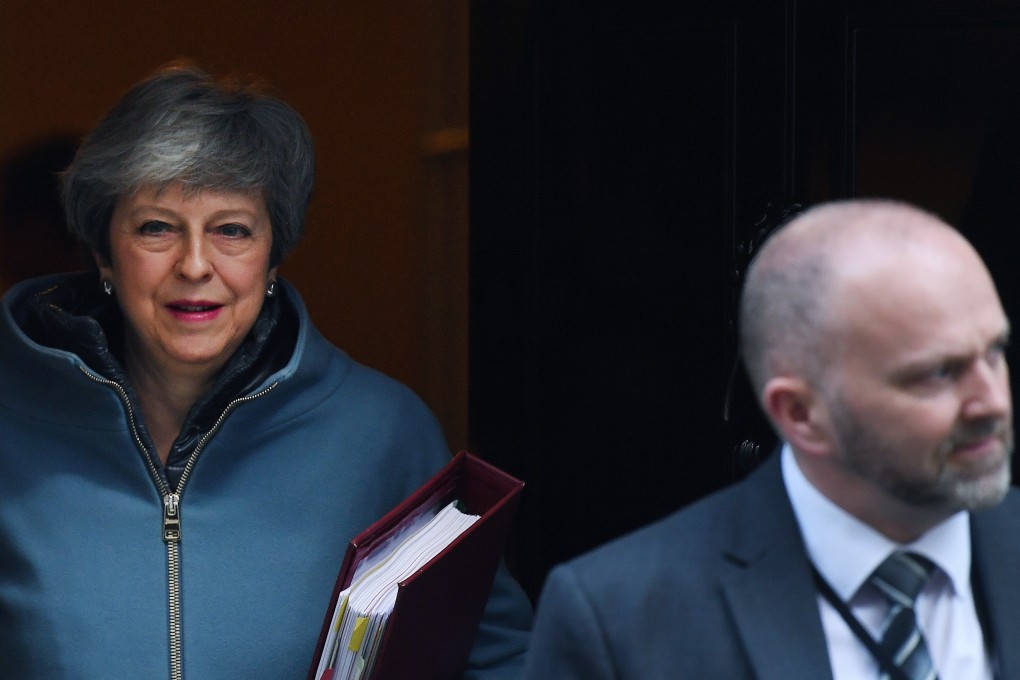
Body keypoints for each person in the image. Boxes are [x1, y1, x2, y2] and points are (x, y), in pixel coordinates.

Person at [0, 63, 531, 679]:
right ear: (103, 252)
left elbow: (499, 663)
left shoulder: (382, 433)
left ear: (273, 253)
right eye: (156, 228)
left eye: (231, 230)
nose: (195, 264)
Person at [522, 199, 1020, 679]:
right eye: (938, 373)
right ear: (801, 414)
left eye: (995, 352)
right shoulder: (623, 620)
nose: (992, 402)